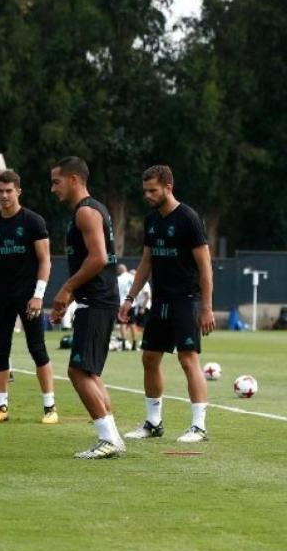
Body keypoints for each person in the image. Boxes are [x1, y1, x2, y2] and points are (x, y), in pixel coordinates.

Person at [120, 165, 215, 443]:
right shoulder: (151, 221)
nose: (147, 195)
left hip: (186, 299)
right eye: (145, 191)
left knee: (188, 360)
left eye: (153, 190)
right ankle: (153, 422)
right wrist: (129, 298)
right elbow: (146, 262)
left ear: (168, 188)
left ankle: (198, 426)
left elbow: (205, 266)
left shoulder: (188, 218)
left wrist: (207, 307)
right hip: (160, 300)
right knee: (149, 357)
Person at [0, 171, 58, 424]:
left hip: (28, 298)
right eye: (0, 191)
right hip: (1, 299)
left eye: (9, 191)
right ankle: (0, 408)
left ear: (18, 191)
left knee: (37, 348)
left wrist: (38, 296)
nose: (4, 196)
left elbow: (45, 260)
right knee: (0, 350)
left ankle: (50, 407)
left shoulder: (33, 222)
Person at [49, 156, 125, 459]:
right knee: (89, 372)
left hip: (97, 300)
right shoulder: (89, 211)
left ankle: (108, 438)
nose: (53, 188)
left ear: (74, 180)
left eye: (56, 181)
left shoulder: (86, 213)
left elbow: (99, 258)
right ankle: (112, 437)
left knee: (78, 371)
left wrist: (66, 288)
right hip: (96, 299)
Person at [116, 264, 135, 350]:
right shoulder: (132, 277)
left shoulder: (118, 279)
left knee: (122, 324)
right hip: (131, 303)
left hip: (121, 303)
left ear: (120, 270)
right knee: (132, 323)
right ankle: (134, 343)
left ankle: (123, 343)